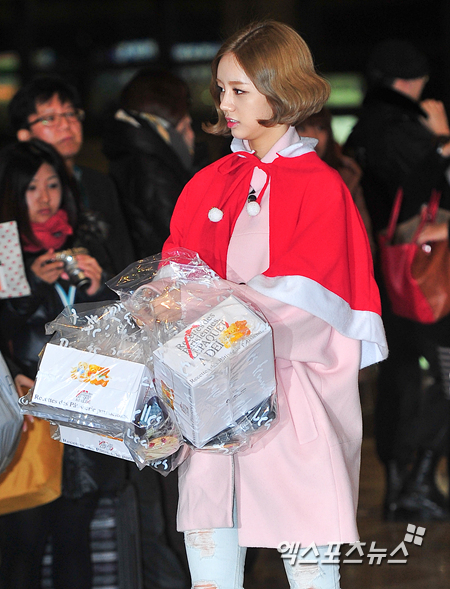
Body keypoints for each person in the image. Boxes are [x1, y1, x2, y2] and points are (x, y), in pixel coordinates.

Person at [150, 21, 387, 588]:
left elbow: (311, 306)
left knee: (311, 573)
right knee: (210, 570)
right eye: (221, 89)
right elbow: (171, 277)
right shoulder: (210, 181)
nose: (225, 104)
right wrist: (159, 304)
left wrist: (203, 307)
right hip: (209, 403)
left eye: (239, 90)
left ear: (281, 91)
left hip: (291, 402)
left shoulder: (320, 186)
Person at [0, 139, 125, 589]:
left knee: (75, 540)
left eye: (53, 185)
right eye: (31, 187)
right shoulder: (5, 247)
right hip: (28, 414)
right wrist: (30, 285)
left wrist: (97, 288)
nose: (45, 198)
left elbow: (118, 328)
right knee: (23, 545)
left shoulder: (82, 241)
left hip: (80, 411)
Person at [344, 38, 450, 522]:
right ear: (413, 82)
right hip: (425, 276)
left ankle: (399, 486)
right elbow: (425, 195)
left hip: (380, 276)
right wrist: (442, 139)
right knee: (436, 376)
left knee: (400, 377)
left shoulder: (362, 130)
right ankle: (418, 481)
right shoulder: (409, 130)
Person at [103, 68, 191, 587]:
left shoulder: (121, 159)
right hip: (162, 325)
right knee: (170, 463)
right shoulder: (152, 164)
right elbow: (179, 248)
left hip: (149, 324)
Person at [7, 75, 135, 274]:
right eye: (49, 118)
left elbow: (123, 255)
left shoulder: (99, 182)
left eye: (70, 113)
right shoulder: (10, 190)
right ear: (24, 135)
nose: (66, 125)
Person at [103, 68, 195, 259]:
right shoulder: (151, 166)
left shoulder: (134, 150)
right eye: (186, 126)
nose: (191, 135)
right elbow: (183, 236)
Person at [296, 107, 375, 255]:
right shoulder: (277, 177)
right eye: (302, 128)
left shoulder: (347, 176)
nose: (313, 137)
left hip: (337, 262)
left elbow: (364, 240)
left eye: (320, 128)